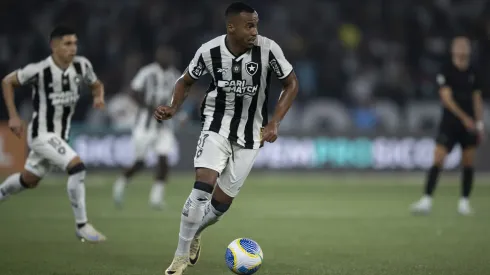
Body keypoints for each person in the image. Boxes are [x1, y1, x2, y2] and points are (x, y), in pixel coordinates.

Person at [154, 2, 299, 274]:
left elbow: (291, 83)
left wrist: (274, 122)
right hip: (215, 125)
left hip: (251, 135)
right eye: (249, 25)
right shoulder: (209, 51)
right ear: (231, 27)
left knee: (220, 205)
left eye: (256, 24)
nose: (255, 31)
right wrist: (173, 107)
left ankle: (195, 231)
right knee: (202, 188)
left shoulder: (268, 49)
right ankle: (179, 257)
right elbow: (185, 80)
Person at [0, 26, 107, 242]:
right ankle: (82, 225)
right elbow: (7, 81)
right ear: (54, 46)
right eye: (67, 44)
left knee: (29, 179)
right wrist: (13, 115)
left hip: (60, 135)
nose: (73, 48)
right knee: (77, 167)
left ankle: (1, 192)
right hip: (42, 134)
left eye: (75, 43)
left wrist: (98, 97)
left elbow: (96, 84)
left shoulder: (82, 66)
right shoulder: (39, 70)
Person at [411, 36, 485, 216]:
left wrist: (479, 123)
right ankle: (426, 200)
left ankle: (464, 202)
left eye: (465, 45)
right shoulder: (447, 70)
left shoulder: (474, 72)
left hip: (469, 126)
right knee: (438, 158)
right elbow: (446, 98)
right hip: (450, 123)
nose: (462, 48)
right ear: (453, 49)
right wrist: (464, 118)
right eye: (458, 45)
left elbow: (477, 99)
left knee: (468, 162)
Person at [112, 45, 181, 209]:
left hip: (164, 126)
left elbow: (179, 96)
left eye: (169, 54)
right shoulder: (147, 72)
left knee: (164, 160)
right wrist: (148, 107)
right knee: (140, 163)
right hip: (145, 125)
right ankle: (121, 183)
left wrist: (177, 111)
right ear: (157, 55)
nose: (166, 57)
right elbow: (133, 91)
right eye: (164, 53)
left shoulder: (175, 75)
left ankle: (156, 199)